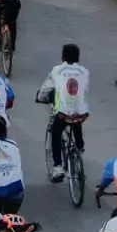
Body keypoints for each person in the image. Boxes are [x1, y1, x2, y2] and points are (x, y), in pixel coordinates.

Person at [37, 44, 89, 181]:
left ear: (63, 56)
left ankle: (58, 166)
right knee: (76, 117)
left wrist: (41, 97)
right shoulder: (85, 71)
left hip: (63, 113)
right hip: (82, 113)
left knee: (56, 132)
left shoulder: (57, 70)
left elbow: (46, 88)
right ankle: (80, 146)